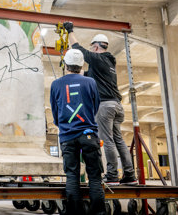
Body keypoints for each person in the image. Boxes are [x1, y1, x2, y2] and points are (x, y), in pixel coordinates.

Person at [63, 21, 137, 185]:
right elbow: (86, 73)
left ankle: (111, 175)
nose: (90, 51)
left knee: (108, 140)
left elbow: (77, 49)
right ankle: (130, 175)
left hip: (105, 107)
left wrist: (70, 30)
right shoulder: (108, 64)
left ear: (96, 47)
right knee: (119, 140)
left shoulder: (98, 59)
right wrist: (69, 66)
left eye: (91, 48)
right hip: (117, 106)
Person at [50, 49, 105, 215]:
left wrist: (63, 125)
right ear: (82, 65)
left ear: (65, 64)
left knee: (72, 176)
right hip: (88, 133)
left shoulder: (56, 84)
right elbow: (96, 106)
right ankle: (98, 213)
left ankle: (74, 212)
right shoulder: (90, 82)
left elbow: (55, 110)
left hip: (67, 136)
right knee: (94, 177)